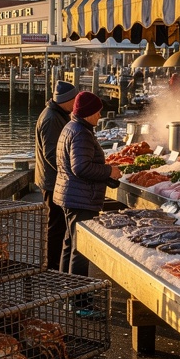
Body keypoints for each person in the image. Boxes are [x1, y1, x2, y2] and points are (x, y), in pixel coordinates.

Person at [54, 91, 123, 289]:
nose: (100, 116)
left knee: (70, 244)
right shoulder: (81, 133)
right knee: (81, 250)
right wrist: (109, 170)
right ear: (88, 113)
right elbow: (81, 167)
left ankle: (66, 290)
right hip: (80, 198)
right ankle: (79, 301)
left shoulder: (72, 126)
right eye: (98, 112)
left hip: (71, 195)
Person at [34, 80, 79, 271]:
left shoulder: (58, 114)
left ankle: (52, 265)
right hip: (52, 181)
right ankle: (51, 267)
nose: (76, 102)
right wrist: (70, 171)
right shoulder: (52, 119)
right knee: (56, 226)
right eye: (74, 99)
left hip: (53, 179)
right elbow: (52, 154)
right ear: (65, 101)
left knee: (58, 225)